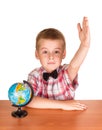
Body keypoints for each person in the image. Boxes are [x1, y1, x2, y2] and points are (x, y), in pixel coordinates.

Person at [27, 17, 90, 110]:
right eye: (45, 52)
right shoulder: (34, 75)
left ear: (63, 54)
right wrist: (63, 105)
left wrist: (84, 44)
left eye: (56, 52)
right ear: (37, 54)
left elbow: (75, 65)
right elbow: (29, 100)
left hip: (66, 121)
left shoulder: (66, 73)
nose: (51, 56)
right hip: (40, 122)